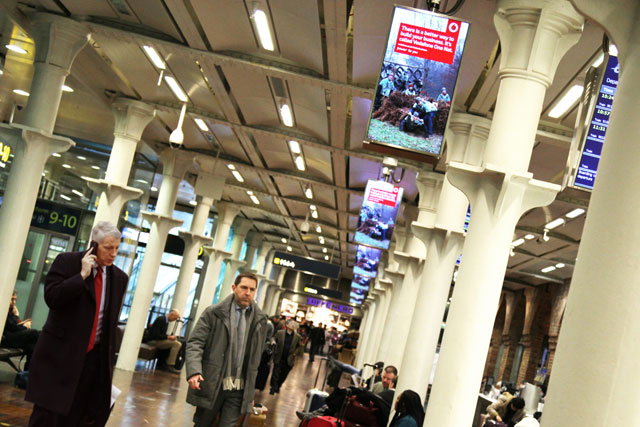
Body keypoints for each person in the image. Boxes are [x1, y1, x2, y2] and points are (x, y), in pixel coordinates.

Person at [26, 221, 128, 426]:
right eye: (108, 248)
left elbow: (108, 322)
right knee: (46, 417)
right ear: (94, 245)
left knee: (78, 417)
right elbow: (52, 298)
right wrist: (81, 276)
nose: (113, 253)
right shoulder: (67, 262)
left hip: (93, 362)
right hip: (59, 357)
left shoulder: (119, 278)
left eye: (117, 248)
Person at [185, 272, 267, 427]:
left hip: (239, 389)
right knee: (203, 424)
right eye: (244, 288)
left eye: (252, 289)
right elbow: (195, 342)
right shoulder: (214, 313)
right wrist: (194, 371)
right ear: (234, 288)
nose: (247, 293)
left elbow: (256, 357)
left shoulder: (260, 320)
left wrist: (249, 393)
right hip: (214, 381)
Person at [1, 291, 39, 370]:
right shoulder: (4, 309)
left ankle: (28, 371)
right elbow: (12, 326)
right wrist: (23, 324)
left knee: (32, 342)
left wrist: (22, 324)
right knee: (34, 333)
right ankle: (28, 371)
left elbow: (14, 326)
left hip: (10, 336)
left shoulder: (10, 310)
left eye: (15, 300)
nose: (14, 302)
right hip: (6, 339)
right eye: (12, 299)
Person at [269, 319, 302, 394]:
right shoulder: (280, 333)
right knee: (275, 374)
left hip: (289, 359)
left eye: (294, 325)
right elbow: (273, 338)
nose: (293, 326)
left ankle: (278, 385)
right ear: (287, 325)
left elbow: (299, 346)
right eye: (291, 324)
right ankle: (273, 388)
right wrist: (273, 341)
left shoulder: (297, 336)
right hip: (279, 356)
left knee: (283, 375)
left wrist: (295, 353)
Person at [145, 309, 182, 373]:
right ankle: (170, 364)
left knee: (176, 342)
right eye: (175, 318)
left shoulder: (165, 320)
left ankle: (164, 363)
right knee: (177, 344)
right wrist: (168, 337)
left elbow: (161, 334)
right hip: (152, 341)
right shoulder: (161, 320)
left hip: (156, 340)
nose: (174, 320)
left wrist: (169, 337)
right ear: (172, 315)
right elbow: (156, 335)